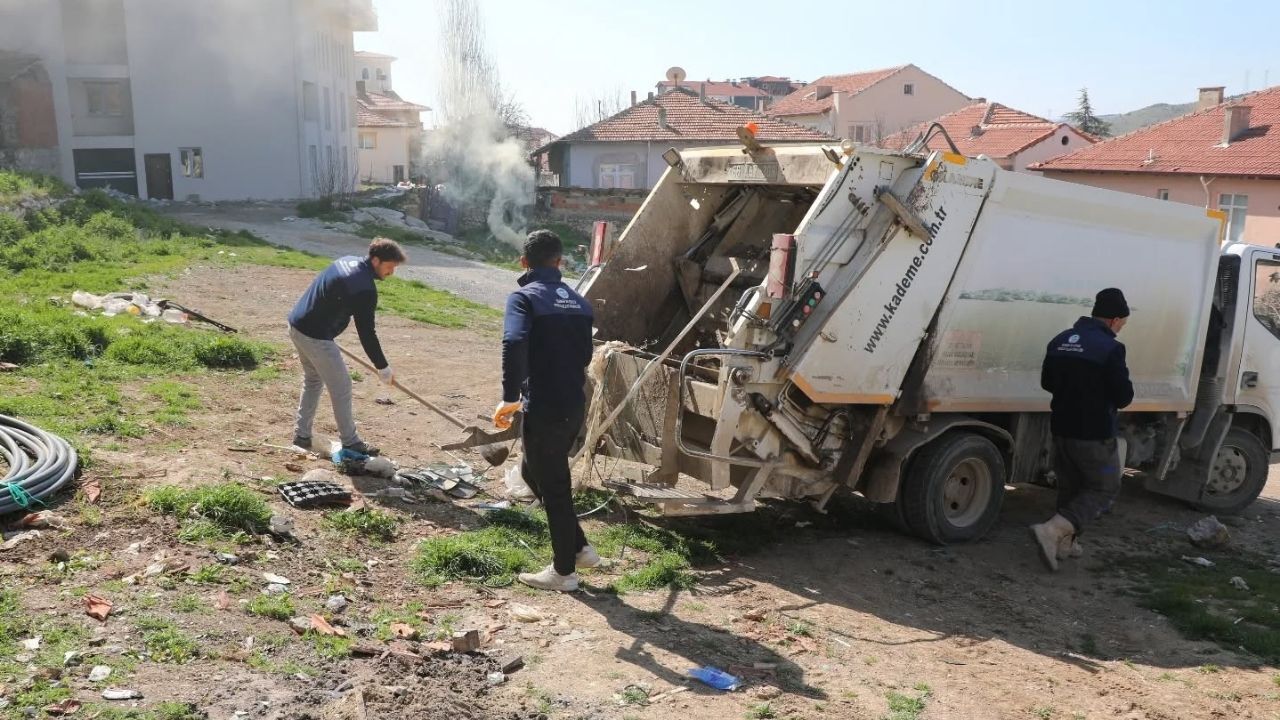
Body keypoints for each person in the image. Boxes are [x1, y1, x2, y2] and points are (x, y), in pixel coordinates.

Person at [494, 229, 599, 592]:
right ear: (560, 262)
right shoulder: (580, 303)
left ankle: (564, 571)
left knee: (553, 485)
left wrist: (509, 396)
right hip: (573, 402)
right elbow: (585, 356)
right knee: (532, 471)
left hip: (545, 405)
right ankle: (580, 546)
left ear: (524, 262)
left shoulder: (524, 298)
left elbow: (513, 341)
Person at [1031, 288, 1134, 571]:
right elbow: (1124, 396)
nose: (1122, 327)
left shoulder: (1060, 341)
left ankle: (1066, 543)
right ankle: (1052, 531)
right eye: (1123, 322)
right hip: (1094, 433)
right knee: (1105, 488)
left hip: (1061, 428)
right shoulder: (1111, 349)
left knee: (1072, 487)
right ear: (1114, 319)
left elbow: (1047, 383)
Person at [287, 237, 406, 456]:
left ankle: (302, 436)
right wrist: (382, 367)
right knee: (342, 386)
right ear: (376, 260)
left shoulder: (347, 260)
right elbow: (367, 333)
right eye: (390, 267)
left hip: (297, 324)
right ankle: (350, 442)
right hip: (315, 335)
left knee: (313, 380)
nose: (391, 273)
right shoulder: (364, 288)